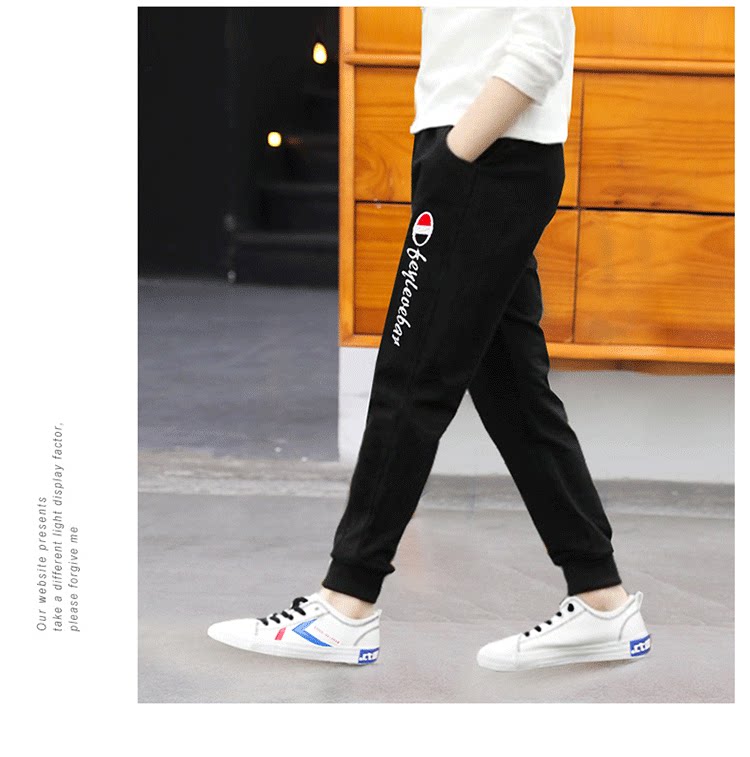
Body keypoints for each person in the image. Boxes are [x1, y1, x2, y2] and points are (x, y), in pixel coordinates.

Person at [208, 6, 652, 671]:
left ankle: (346, 604)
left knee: (409, 379)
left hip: (486, 159)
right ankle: (602, 598)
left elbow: (542, 48)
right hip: (482, 157)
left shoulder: (476, 154)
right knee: (513, 393)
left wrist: (455, 156)